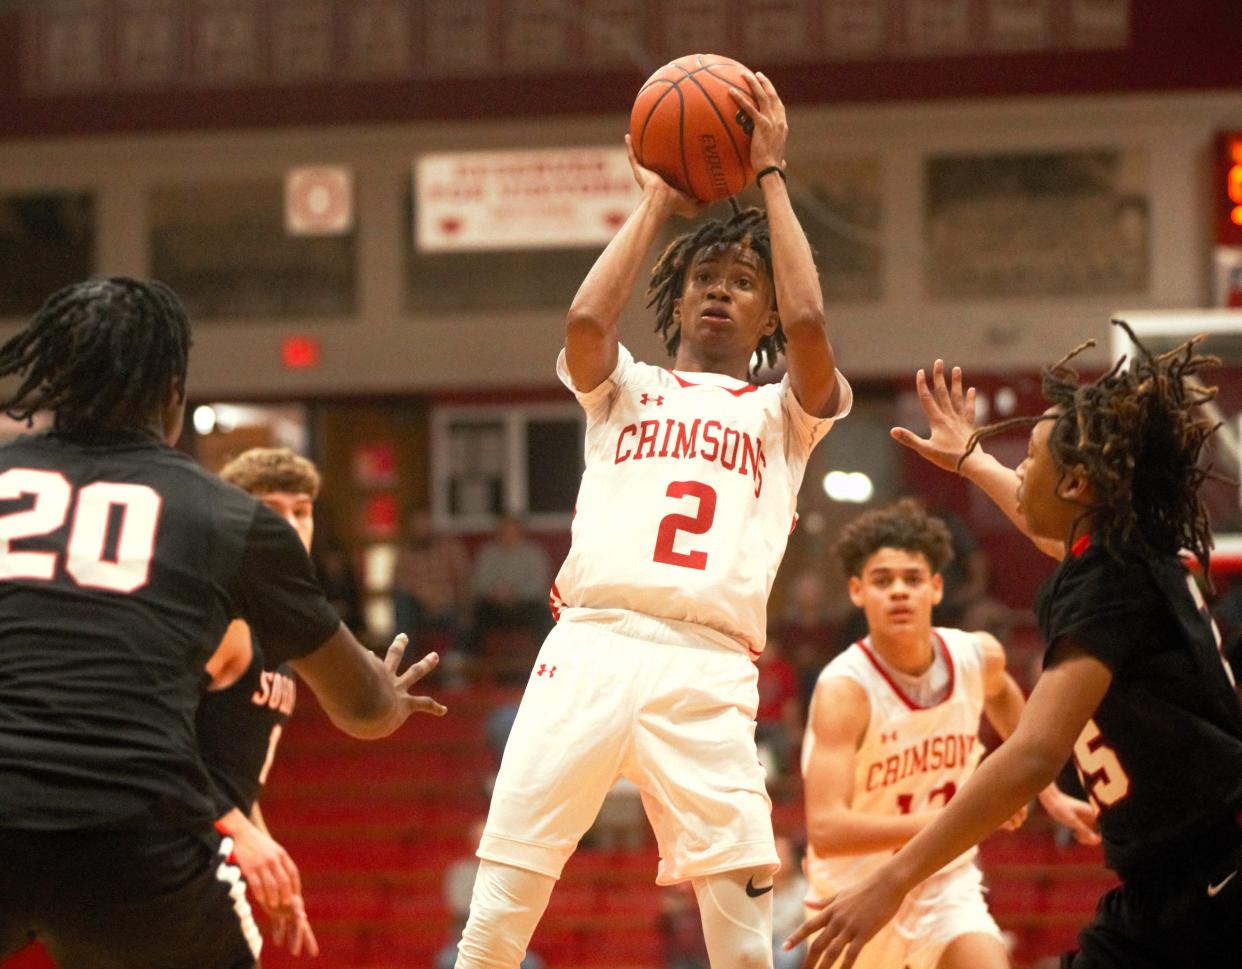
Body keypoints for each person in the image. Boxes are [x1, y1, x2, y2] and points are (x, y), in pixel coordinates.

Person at [455, 70, 852, 969]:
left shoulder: (785, 413)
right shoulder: (625, 389)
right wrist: (656, 205)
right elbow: (588, 317)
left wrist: (773, 173)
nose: (719, 290)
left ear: (765, 314)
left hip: (707, 668)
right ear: (674, 298)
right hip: (589, 645)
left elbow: (816, 318)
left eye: (742, 280)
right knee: (494, 927)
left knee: (745, 949)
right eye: (704, 276)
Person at [0, 277, 446, 969]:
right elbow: (361, 707)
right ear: (173, 391)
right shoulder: (227, 518)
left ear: (52, 374)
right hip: (132, 844)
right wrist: (387, 695)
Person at [788, 330, 1242, 969]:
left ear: (1079, 482)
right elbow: (1046, 529)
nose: (1020, 467)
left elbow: (1031, 755)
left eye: (1031, 456)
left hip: (1211, 881)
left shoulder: (1110, 582)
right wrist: (969, 458)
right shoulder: (1117, 556)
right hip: (1166, 885)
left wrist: (893, 879)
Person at [801, 499, 1097, 969]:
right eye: (882, 581)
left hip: (944, 884)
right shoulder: (845, 689)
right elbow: (827, 830)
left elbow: (1006, 703)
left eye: (912, 579)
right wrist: (968, 817)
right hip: (854, 892)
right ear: (857, 592)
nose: (899, 592)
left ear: (936, 587)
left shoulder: (979, 656)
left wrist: (1051, 797)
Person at [196, 447, 327, 957]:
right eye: (271, 511)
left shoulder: (276, 624)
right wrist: (245, 838)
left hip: (207, 839)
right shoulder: (223, 620)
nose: (292, 525)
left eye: (301, 511)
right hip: (158, 839)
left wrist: (263, 853)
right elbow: (155, 740)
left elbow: (231, 771)